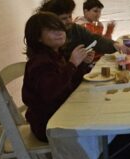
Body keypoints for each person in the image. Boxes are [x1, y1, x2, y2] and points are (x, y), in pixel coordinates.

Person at [21, 12, 95, 142]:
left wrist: (82, 64)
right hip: (48, 124)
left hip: (59, 112)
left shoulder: (56, 55)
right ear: (38, 37)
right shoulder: (39, 62)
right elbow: (50, 92)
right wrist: (72, 64)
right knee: (98, 119)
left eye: (60, 28)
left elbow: (70, 83)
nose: (60, 32)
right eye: (51, 30)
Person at [39, 0, 123, 59]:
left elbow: (94, 39)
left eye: (70, 16)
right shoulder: (46, 41)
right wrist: (74, 62)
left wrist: (114, 45)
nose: (69, 21)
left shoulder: (75, 28)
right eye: (64, 18)